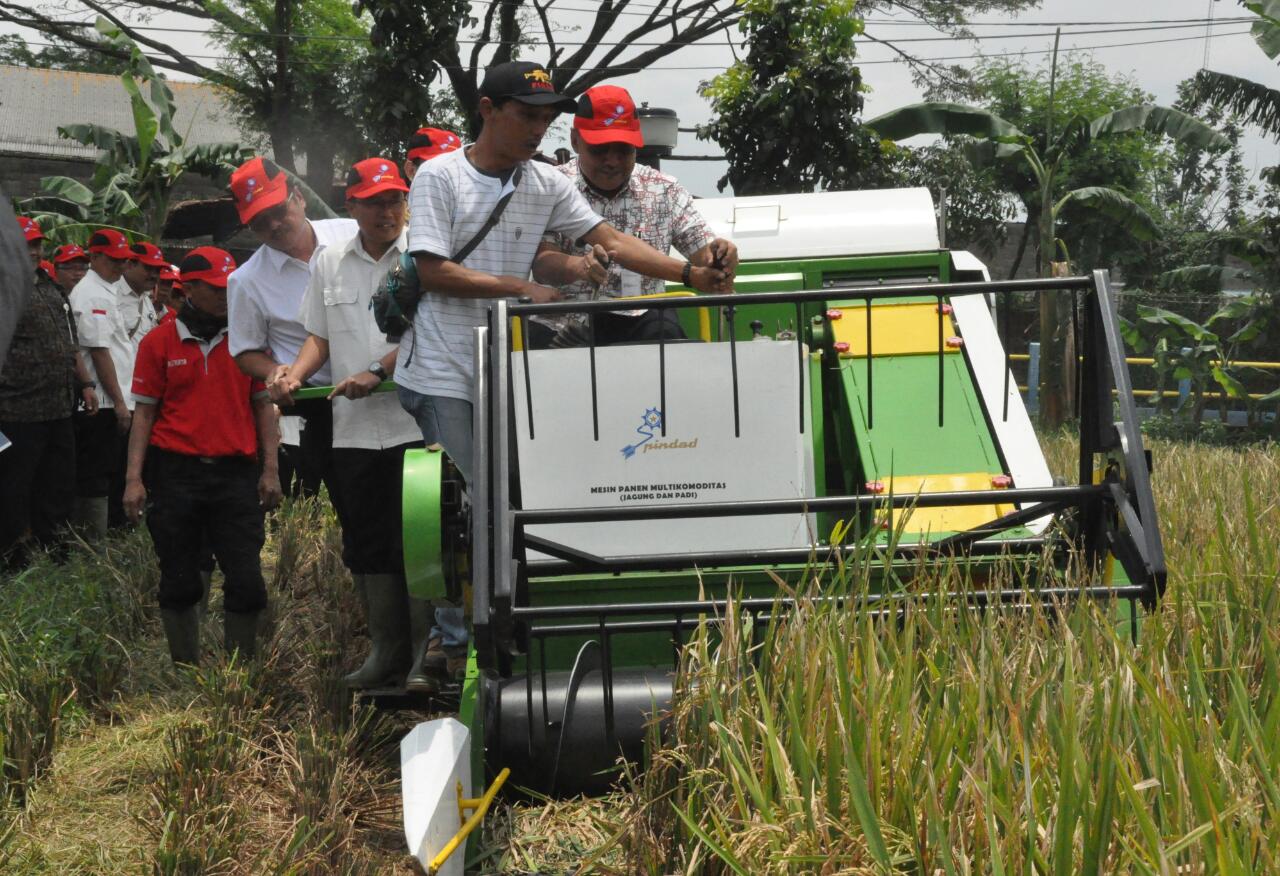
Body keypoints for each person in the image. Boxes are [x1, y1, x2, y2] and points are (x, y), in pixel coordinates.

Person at [395, 60, 731, 670]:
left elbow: (614, 240)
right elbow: (431, 270)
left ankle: (517, 629)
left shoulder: (544, 184)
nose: (536, 126)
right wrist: (520, 290)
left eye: (545, 116)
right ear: (488, 110)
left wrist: (687, 273)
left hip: (502, 365)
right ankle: (453, 643)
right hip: (445, 366)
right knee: (465, 500)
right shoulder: (439, 178)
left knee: (515, 500)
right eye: (526, 113)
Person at [271, 158, 431, 689]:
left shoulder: (423, 255)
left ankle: (423, 658)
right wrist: (292, 377)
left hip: (417, 424)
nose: (387, 211)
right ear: (351, 207)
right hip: (353, 431)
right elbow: (319, 336)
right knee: (367, 540)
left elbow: (425, 334)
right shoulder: (329, 262)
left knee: (421, 538)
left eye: (395, 200)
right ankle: (384, 651)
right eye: (375, 202)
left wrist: (376, 370)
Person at [124, 246, 282, 666]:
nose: (225, 297)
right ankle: (186, 670)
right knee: (179, 580)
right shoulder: (158, 343)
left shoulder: (248, 347)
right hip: (176, 474)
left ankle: (238, 674)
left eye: (229, 288)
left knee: (247, 579)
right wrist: (133, 479)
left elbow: (263, 406)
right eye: (215, 289)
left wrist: (270, 470)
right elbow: (144, 413)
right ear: (189, 288)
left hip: (236, 475)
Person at [531, 84, 738, 347]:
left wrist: (721, 257)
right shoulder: (553, 186)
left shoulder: (665, 190)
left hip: (645, 318)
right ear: (574, 140)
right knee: (534, 358)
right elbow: (542, 263)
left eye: (624, 149)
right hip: (566, 321)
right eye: (600, 149)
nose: (612, 161)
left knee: (671, 342)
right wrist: (578, 266)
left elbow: (704, 256)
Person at [227, 157, 358, 498]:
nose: (273, 225)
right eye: (259, 222)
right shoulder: (246, 280)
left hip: (379, 389)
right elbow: (244, 351)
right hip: (316, 403)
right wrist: (275, 371)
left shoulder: (354, 235)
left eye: (277, 210)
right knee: (339, 503)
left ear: (298, 198)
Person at [0, 216, 97, 567]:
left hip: (58, 406)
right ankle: (12, 559)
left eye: (36, 244)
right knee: (14, 488)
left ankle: (55, 552)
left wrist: (85, 383)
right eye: (25, 244)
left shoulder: (50, 286)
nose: (33, 251)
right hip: (16, 409)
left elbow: (68, 344)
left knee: (57, 484)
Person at [68, 229, 156, 534]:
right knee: (98, 472)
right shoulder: (91, 293)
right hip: (103, 401)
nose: (119, 266)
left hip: (117, 397)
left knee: (115, 470)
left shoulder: (106, 289)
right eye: (113, 260)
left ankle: (112, 535)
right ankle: (93, 542)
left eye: (123, 260)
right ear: (94, 257)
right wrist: (119, 403)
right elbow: (99, 351)